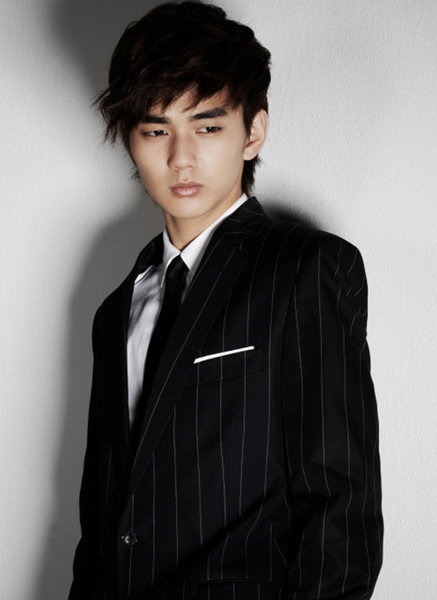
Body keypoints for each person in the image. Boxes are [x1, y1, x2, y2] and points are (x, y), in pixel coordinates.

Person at [68, 2, 384, 599]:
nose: (180, 158)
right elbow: (102, 521)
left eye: (208, 127)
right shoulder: (116, 310)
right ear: (130, 140)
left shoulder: (304, 269)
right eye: (156, 130)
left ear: (252, 132)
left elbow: (341, 503)